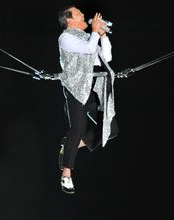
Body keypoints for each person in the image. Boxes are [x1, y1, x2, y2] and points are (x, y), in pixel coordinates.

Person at [57, 5, 118, 194]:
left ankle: (71, 144)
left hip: (92, 87)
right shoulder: (65, 37)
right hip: (76, 88)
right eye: (78, 14)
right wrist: (94, 33)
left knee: (111, 129)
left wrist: (103, 35)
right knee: (78, 128)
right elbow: (89, 49)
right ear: (69, 21)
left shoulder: (87, 36)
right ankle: (66, 174)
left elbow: (106, 57)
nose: (84, 15)